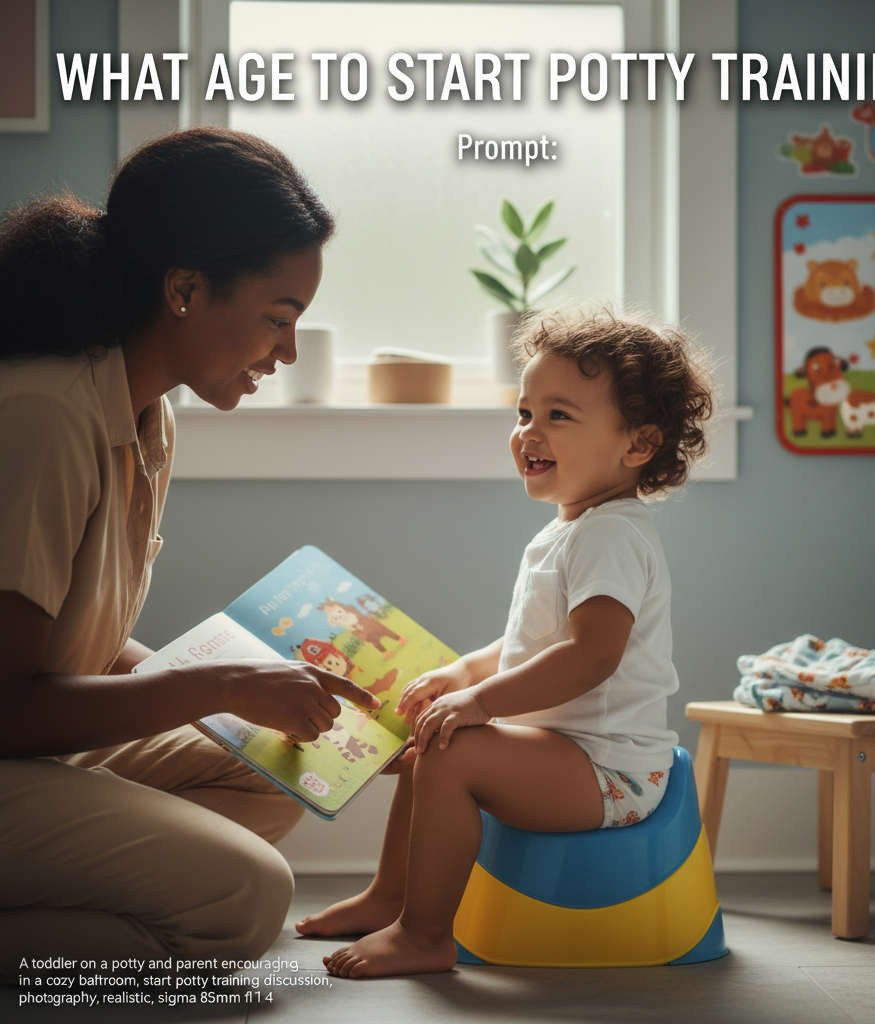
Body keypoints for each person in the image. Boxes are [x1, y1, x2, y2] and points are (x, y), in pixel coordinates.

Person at [0, 127, 381, 984]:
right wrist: (215, 686)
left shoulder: (145, 412)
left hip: (34, 756)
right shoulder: (45, 415)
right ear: (184, 288)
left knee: (277, 769)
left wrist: (257, 687)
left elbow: (76, 645)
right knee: (245, 899)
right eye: (278, 320)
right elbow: (7, 701)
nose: (285, 353)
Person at [297, 307, 715, 978]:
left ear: (637, 445)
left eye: (559, 416)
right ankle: (389, 897)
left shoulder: (611, 534)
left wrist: (481, 703)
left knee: (452, 746)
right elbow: (534, 642)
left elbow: (591, 655)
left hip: (608, 774)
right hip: (571, 756)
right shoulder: (572, 529)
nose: (530, 432)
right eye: (524, 413)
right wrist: (462, 674)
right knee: (435, 732)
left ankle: (425, 933)